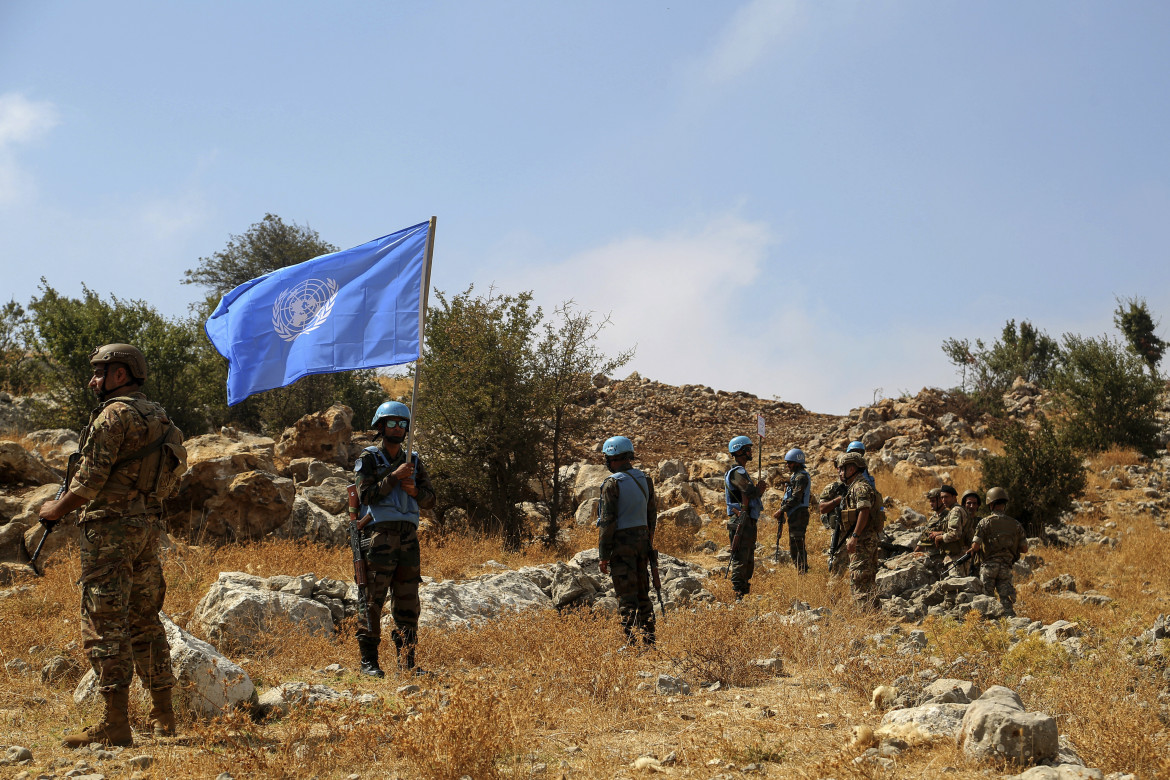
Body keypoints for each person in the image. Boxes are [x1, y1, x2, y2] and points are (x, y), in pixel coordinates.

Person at [38, 344, 180, 747]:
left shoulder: (113, 415)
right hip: (147, 529)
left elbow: (88, 482)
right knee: (146, 620)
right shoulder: (159, 416)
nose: (93, 381)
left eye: (100, 373)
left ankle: (114, 723)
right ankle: (163, 716)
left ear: (121, 375)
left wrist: (54, 511)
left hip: (109, 532)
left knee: (104, 623)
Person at [353, 401, 436, 676]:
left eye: (402, 424)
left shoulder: (414, 460)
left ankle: (408, 663)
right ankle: (369, 663)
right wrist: (394, 477)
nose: (398, 429)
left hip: (408, 538)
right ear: (380, 426)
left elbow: (430, 500)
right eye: (392, 423)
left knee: (408, 600)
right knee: (372, 598)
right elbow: (366, 495)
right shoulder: (368, 458)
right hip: (379, 536)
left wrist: (414, 492)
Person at [596, 436, 657, 646]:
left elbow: (607, 523)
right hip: (642, 543)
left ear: (613, 457)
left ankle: (631, 644)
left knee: (626, 596)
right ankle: (650, 641)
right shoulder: (645, 479)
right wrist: (648, 542)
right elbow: (652, 515)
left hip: (621, 545)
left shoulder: (612, 484)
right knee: (643, 593)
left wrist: (603, 556)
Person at [967, 487, 1028, 617]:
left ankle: (989, 624)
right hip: (1006, 566)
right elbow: (1024, 549)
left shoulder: (984, 522)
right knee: (1006, 600)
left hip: (989, 566)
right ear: (1004, 504)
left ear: (990, 504)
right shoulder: (1016, 524)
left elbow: (976, 546)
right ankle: (1010, 623)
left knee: (987, 599)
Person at [837, 451, 881, 608]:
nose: (840, 473)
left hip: (863, 540)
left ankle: (865, 618)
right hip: (865, 539)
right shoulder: (856, 487)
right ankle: (875, 617)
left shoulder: (860, 487)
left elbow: (864, 511)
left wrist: (854, 537)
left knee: (859, 579)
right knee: (867, 580)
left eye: (842, 469)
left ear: (851, 469)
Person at [725, 436, 765, 599]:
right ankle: (738, 594)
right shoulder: (737, 472)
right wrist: (759, 490)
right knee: (741, 557)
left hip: (747, 519)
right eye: (747, 449)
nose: (750, 451)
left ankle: (743, 593)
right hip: (741, 520)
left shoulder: (740, 471)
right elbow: (748, 491)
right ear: (740, 451)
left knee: (747, 557)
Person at [774, 448, 811, 573]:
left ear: (797, 462)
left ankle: (802, 571)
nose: (787, 465)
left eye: (789, 463)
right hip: (794, 514)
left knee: (797, 544)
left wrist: (781, 510)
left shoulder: (801, 477)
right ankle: (800, 569)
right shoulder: (795, 476)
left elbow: (796, 498)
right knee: (794, 544)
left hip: (799, 514)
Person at [929, 485, 973, 577]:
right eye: (942, 497)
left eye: (946, 497)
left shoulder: (955, 511)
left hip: (957, 556)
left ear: (954, 497)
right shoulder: (958, 510)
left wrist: (939, 537)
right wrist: (941, 533)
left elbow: (955, 534)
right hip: (959, 555)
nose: (944, 500)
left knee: (956, 586)